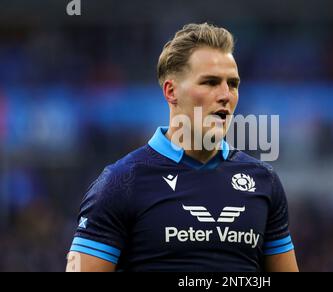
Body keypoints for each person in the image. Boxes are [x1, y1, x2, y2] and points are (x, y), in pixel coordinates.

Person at [66, 23, 299, 272]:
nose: (225, 95)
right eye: (210, 82)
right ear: (171, 91)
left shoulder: (264, 181)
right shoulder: (120, 183)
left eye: (232, 84)